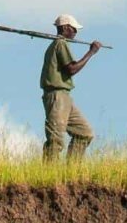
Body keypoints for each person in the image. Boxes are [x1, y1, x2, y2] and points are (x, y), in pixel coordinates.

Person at [41, 13, 101, 163]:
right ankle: (49, 176)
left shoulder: (59, 44)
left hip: (64, 96)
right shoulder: (60, 44)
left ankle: (71, 172)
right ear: (66, 28)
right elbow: (72, 69)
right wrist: (91, 52)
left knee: (84, 133)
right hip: (57, 95)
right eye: (74, 28)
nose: (75, 32)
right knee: (56, 138)